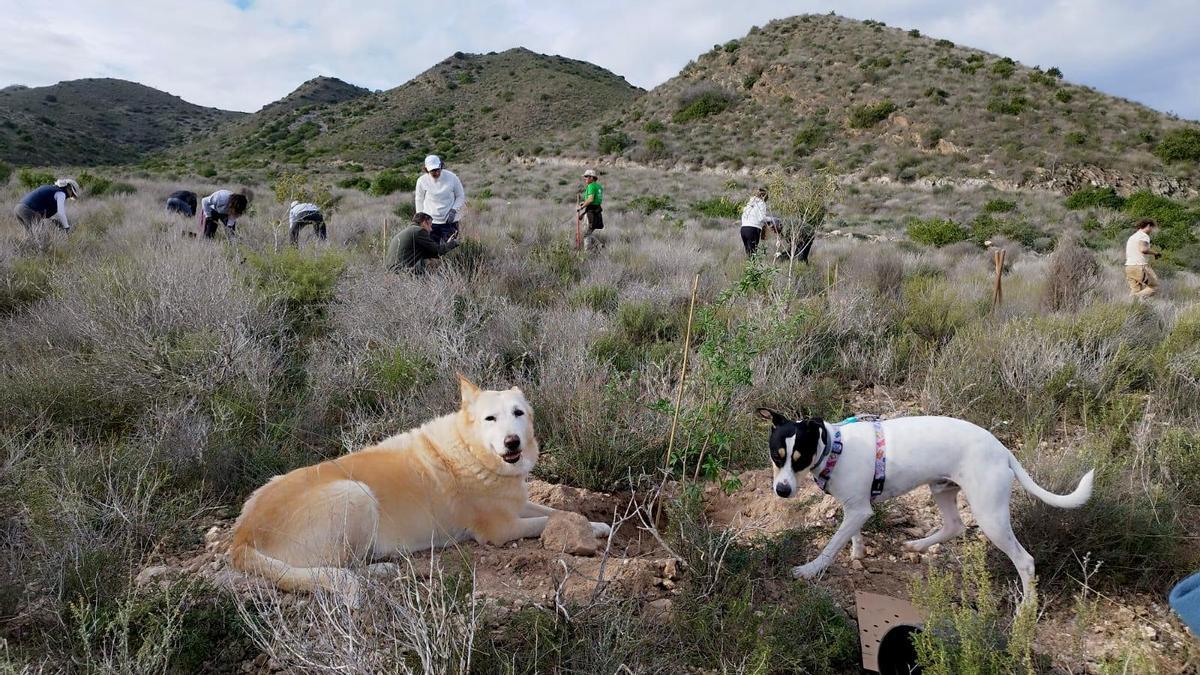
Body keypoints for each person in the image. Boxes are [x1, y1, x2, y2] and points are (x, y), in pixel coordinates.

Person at [385, 212, 461, 274]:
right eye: (430, 225)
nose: (431, 229)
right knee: (433, 263)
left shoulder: (411, 230)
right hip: (400, 271)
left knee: (431, 260)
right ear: (424, 222)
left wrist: (448, 243)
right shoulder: (419, 231)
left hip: (392, 270)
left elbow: (431, 253)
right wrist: (455, 242)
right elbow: (438, 251)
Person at [414, 155, 465, 243]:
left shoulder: (452, 177)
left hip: (450, 221)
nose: (437, 173)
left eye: (438, 169)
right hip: (430, 223)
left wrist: (454, 210)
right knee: (431, 250)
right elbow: (419, 199)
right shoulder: (421, 181)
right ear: (426, 170)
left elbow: (460, 196)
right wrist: (421, 219)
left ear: (441, 166)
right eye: (433, 171)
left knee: (451, 248)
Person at [14, 178, 80, 234]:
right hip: (27, 210)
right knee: (42, 236)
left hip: (18, 209)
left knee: (30, 234)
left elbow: (54, 213)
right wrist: (66, 227)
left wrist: (57, 221)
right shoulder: (61, 193)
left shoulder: (51, 188)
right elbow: (61, 213)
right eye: (72, 194)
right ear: (69, 188)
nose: (71, 196)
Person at [1125, 218, 1159, 298]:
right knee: (1154, 287)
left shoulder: (1132, 237)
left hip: (1129, 267)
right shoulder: (1144, 236)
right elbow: (1143, 249)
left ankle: (1130, 306)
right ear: (1148, 226)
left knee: (1136, 290)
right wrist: (1155, 253)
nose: (1151, 230)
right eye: (1151, 228)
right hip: (1140, 266)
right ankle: (1134, 298)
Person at [739, 187, 774, 257]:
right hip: (753, 229)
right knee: (753, 253)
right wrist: (772, 219)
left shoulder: (749, 203)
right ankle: (753, 268)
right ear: (764, 197)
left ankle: (748, 267)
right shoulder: (761, 203)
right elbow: (761, 218)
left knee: (748, 252)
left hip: (743, 229)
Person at [578, 169, 604, 250]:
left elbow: (590, 199)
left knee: (586, 234)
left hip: (591, 212)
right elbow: (594, 200)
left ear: (592, 178)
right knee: (588, 233)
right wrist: (584, 203)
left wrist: (581, 207)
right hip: (597, 211)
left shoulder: (591, 186)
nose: (585, 178)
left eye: (586, 177)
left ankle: (588, 252)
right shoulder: (599, 186)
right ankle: (599, 245)